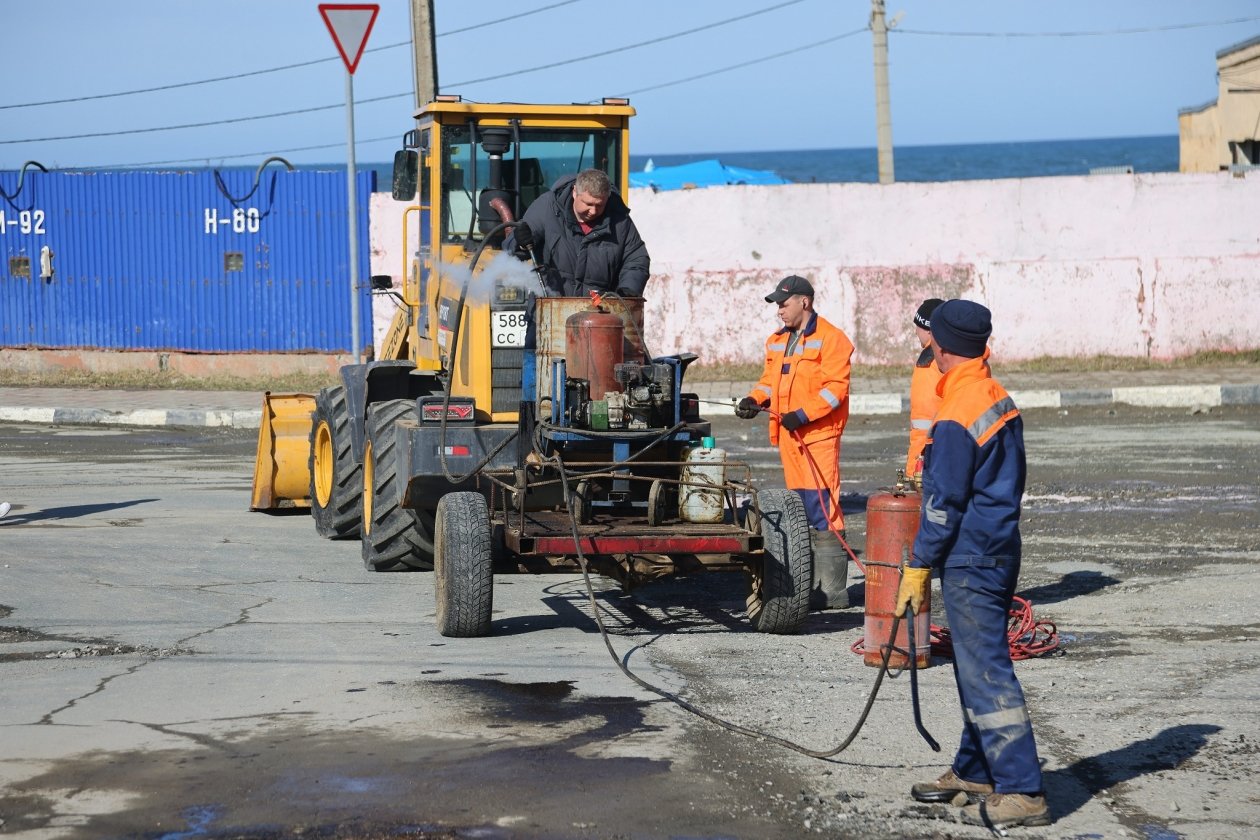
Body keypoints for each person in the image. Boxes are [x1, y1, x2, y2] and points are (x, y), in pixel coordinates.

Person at [895, 299, 1049, 828]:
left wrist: (919, 563)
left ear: (939, 345)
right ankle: (977, 769)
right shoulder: (993, 394)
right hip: (996, 546)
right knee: (971, 664)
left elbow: (943, 505)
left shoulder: (958, 411)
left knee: (985, 670)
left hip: (972, 556)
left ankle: (1023, 789)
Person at [736, 275, 854, 610]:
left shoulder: (832, 339)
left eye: (783, 303)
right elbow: (769, 382)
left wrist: (804, 414)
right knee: (799, 509)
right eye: (777, 305)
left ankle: (833, 591)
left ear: (805, 301)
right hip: (790, 436)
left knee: (823, 508)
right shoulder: (776, 341)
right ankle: (809, 586)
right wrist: (755, 400)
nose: (779, 310)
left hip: (818, 436)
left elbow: (836, 389)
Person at [505, 168, 650, 298]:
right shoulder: (547, 207)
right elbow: (511, 248)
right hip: (549, 308)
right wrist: (522, 243)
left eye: (600, 205)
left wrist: (628, 289)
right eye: (588, 204)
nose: (593, 211)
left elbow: (636, 259)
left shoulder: (619, 220)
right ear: (574, 192)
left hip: (598, 313)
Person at [905, 298, 944, 478]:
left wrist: (915, 470)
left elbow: (924, 422)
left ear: (928, 329)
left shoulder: (929, 363)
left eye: (918, 326)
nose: (915, 332)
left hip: (930, 457)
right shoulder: (962, 356)